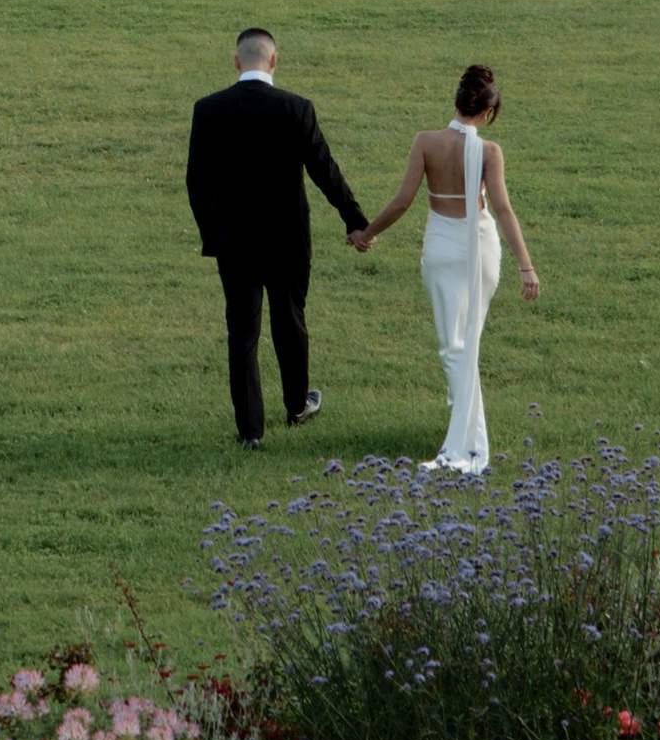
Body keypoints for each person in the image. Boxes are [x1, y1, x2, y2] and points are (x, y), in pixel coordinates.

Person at [351, 63, 540, 475]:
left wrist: (367, 233)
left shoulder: (425, 142)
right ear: (487, 113)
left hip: (442, 247)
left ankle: (468, 444)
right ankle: (465, 432)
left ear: (455, 102)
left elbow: (402, 201)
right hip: (481, 248)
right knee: (465, 344)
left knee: (454, 346)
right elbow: (504, 209)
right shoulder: (490, 151)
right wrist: (526, 266)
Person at [186, 26, 369, 449]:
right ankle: (296, 405)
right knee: (290, 320)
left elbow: (197, 181)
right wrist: (354, 221)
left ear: (236, 62)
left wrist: (214, 233)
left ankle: (250, 431)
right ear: (274, 61)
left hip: (234, 242)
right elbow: (325, 170)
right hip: (288, 239)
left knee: (242, 331)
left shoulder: (209, 109)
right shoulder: (295, 108)